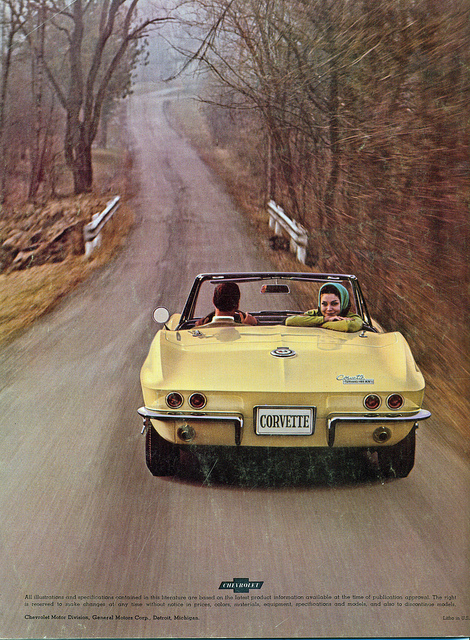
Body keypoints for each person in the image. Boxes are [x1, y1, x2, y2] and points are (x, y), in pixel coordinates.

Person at [285, 283, 363, 332]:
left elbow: (347, 326)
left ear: (343, 303)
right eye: (324, 304)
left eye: (334, 304)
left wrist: (317, 324)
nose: (329, 309)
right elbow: (290, 321)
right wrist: (325, 319)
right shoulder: (315, 313)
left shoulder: (352, 318)